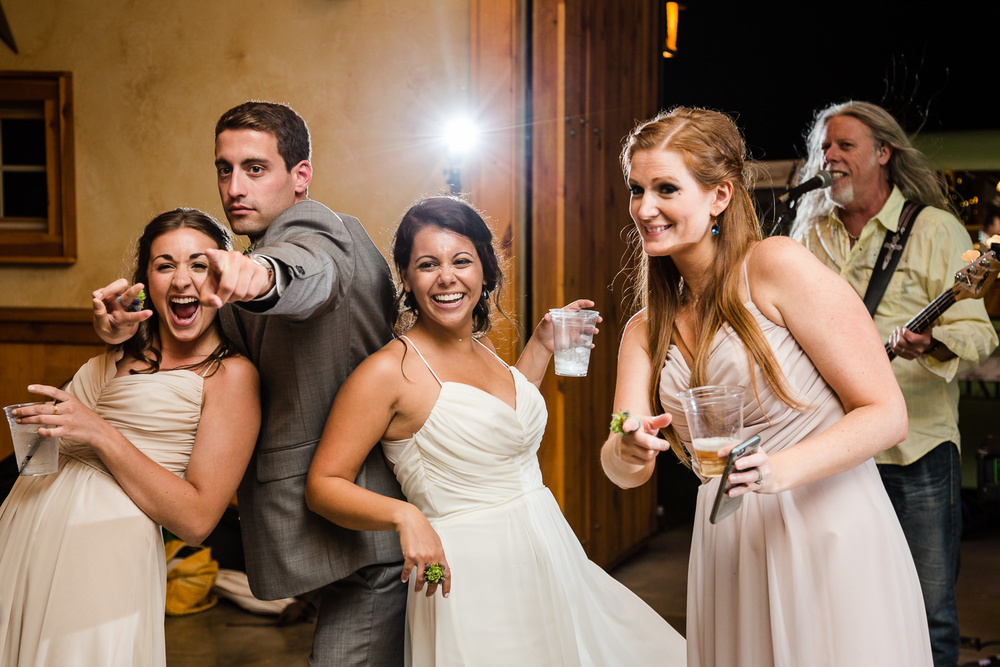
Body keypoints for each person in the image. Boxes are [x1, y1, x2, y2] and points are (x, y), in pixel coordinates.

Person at [600, 107, 932, 666]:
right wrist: (628, 445)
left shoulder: (775, 267)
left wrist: (776, 470)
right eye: (637, 190)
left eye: (665, 188)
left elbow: (884, 413)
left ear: (720, 197)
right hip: (729, 545)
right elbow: (622, 468)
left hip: (825, 525)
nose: (645, 208)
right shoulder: (642, 331)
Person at [304, 195, 688, 666]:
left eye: (461, 261)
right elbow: (323, 485)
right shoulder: (388, 372)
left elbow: (500, 428)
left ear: (485, 271)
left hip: (547, 548)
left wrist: (541, 347)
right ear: (405, 276)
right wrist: (407, 518)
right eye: (427, 264)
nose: (447, 277)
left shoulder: (483, 349)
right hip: (468, 576)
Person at [91, 101, 406, 666]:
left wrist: (261, 278)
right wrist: (117, 329)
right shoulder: (233, 265)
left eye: (255, 169)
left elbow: (308, 275)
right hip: (308, 533)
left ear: (300, 175)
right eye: (224, 168)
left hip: (362, 540)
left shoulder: (316, 233)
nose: (234, 186)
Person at [0, 208, 260, 666]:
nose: (182, 281)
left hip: (102, 559)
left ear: (223, 275)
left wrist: (98, 433)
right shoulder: (124, 344)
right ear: (146, 281)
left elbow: (198, 521)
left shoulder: (230, 376)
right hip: (24, 533)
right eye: (165, 265)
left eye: (198, 264)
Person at [789, 101, 998, 667]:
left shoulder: (935, 229)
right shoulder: (809, 236)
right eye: (825, 148)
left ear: (883, 153)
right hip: (830, 448)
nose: (831, 157)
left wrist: (931, 344)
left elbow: (978, 334)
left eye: (846, 146)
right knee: (836, 603)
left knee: (929, 609)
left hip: (916, 450)